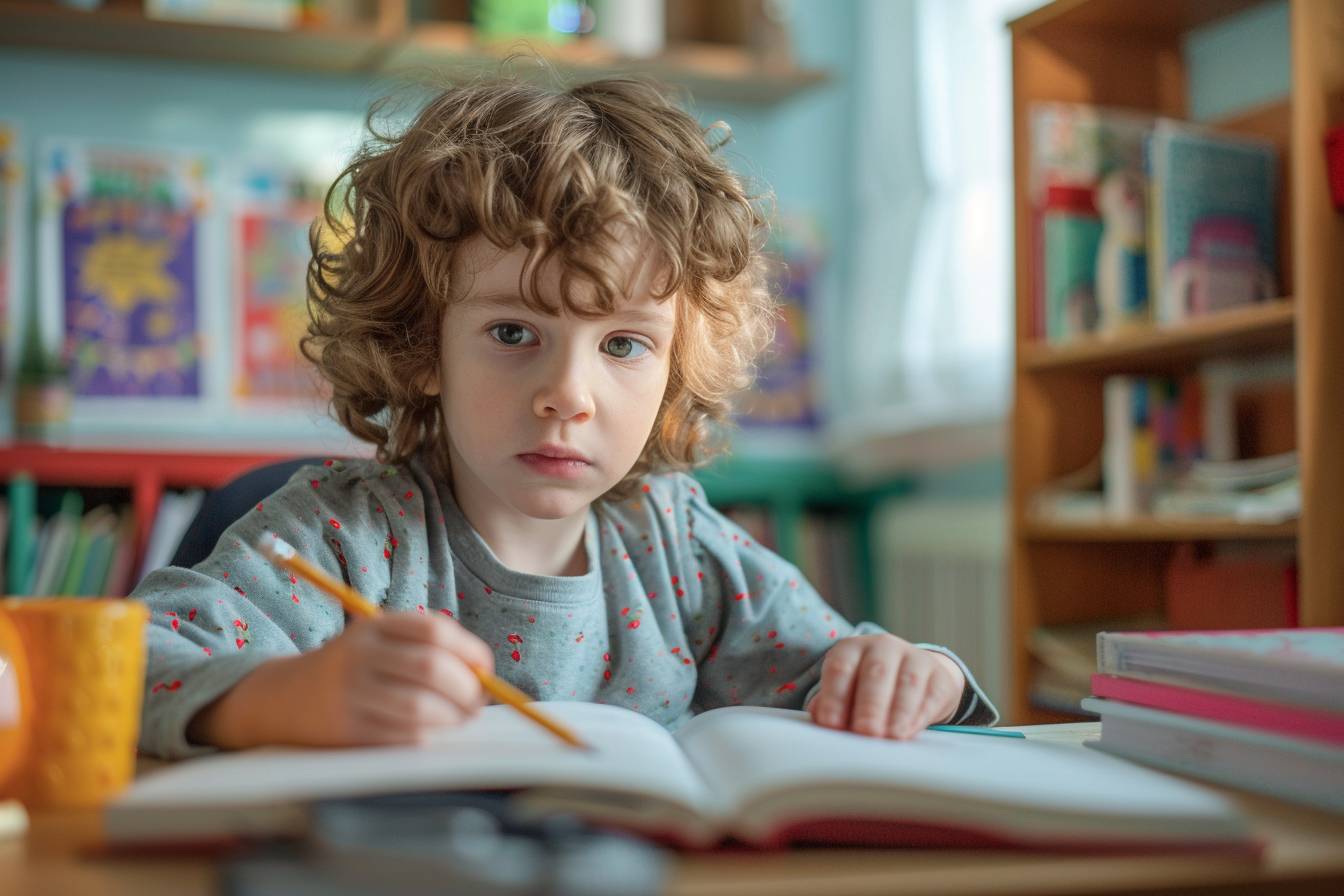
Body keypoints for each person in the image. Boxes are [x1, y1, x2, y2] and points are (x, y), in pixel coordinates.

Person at [133, 76, 997, 759]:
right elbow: (126, 665)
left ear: (675, 367)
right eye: (514, 332)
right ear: (423, 346)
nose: (569, 394)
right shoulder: (346, 538)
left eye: (624, 345)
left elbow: (833, 669)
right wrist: (283, 698)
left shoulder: (676, 544)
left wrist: (909, 674)